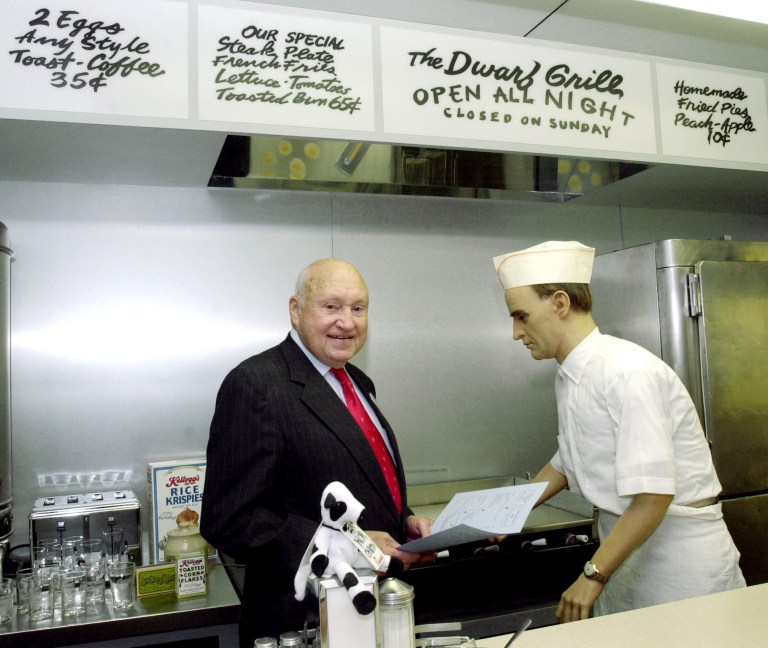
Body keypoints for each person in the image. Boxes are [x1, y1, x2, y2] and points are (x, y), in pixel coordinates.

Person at [491, 241, 745, 623]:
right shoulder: (571, 376)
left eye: (521, 316)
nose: (516, 332)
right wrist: (506, 511)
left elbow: (654, 494)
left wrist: (592, 576)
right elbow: (568, 458)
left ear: (560, 303)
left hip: (679, 566)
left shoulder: (627, 371)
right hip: (625, 554)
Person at [201, 258, 434, 645]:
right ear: (296, 310)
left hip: (371, 612)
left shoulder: (355, 381)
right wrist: (347, 544)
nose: (347, 322)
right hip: (303, 622)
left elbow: (356, 478)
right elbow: (228, 519)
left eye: (358, 308)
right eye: (331, 306)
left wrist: (403, 520)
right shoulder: (256, 385)